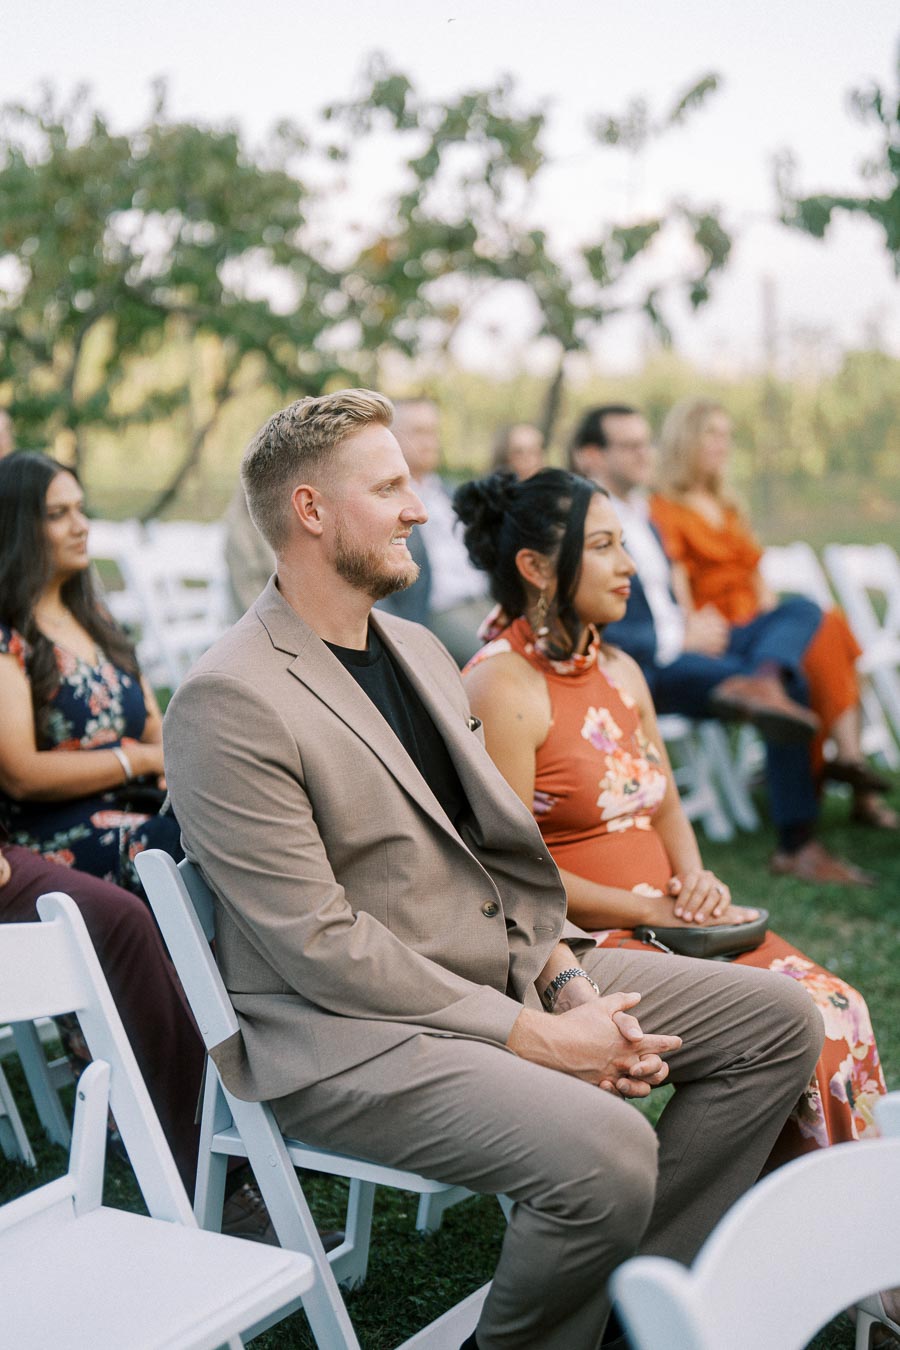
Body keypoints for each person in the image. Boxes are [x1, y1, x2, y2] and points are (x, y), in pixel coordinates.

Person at [162, 388, 822, 1350]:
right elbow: (320, 945)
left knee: (776, 1022)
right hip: (352, 1033)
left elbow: (500, 853)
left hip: (501, 968)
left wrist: (561, 975)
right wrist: (539, 1036)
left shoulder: (422, 651)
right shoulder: (228, 698)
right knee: (608, 1151)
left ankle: (629, 1307)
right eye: (389, 487)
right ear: (310, 511)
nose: (420, 507)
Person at [457, 467, 886, 1161]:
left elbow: (664, 801)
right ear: (536, 568)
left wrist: (697, 880)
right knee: (810, 1021)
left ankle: (818, 1227)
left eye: (623, 544)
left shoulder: (621, 670)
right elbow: (507, 877)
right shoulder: (500, 685)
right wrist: (652, 908)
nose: (628, 566)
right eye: (603, 547)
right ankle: (781, 1228)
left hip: (675, 924)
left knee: (842, 1007)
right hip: (583, 950)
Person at [569, 403, 874, 885]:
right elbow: (590, 617)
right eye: (628, 446)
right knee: (789, 691)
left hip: (696, 645)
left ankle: (766, 678)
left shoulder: (641, 515)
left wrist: (694, 623)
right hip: (650, 665)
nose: (644, 454)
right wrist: (679, 633)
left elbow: (670, 594)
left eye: (645, 442)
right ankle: (798, 844)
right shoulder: (578, 524)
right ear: (591, 456)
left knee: (804, 610)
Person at [652, 396, 898, 831]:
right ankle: (851, 770)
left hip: (760, 629)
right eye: (712, 434)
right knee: (826, 628)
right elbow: (678, 582)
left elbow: (757, 578)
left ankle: (837, 752)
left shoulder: (727, 505)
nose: (722, 444)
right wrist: (692, 626)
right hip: (721, 631)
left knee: (825, 626)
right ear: (685, 440)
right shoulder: (665, 507)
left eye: (726, 435)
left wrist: (777, 629)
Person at [0, 452, 181, 892]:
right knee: (177, 843)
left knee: (236, 817)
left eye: (80, 509)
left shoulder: (96, 618)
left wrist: (170, 766)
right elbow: (20, 774)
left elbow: (155, 728)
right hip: (55, 832)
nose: (81, 526)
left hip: (139, 804)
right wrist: (134, 760)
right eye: (58, 515)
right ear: (17, 527)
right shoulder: (8, 636)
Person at [0, 828, 203, 1190]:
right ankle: (195, 1158)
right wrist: (135, 766)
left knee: (185, 848)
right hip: (39, 826)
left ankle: (256, 1104)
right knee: (115, 918)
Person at [379, 396, 489, 664]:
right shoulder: (384, 499)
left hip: (485, 599)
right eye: (419, 432)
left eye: (433, 432)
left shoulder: (452, 493)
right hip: (436, 611)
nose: (430, 441)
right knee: (496, 660)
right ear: (391, 438)